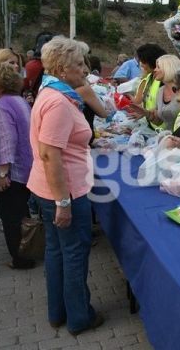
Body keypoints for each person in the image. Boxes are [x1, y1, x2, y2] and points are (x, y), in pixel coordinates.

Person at [26, 36, 103, 335]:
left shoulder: (52, 92)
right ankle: (80, 317)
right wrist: (63, 202)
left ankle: (58, 312)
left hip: (51, 189)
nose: (85, 69)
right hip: (64, 191)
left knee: (57, 251)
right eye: (79, 64)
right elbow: (49, 154)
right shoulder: (58, 101)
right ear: (61, 68)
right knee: (73, 255)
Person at [0, 63, 35, 269]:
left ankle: (21, 259)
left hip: (12, 173)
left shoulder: (1, 106)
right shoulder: (20, 101)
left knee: (11, 217)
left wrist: (2, 172)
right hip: (26, 168)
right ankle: (29, 251)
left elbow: (7, 140)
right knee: (22, 213)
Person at [129, 54, 180, 131]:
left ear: (168, 68)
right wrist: (146, 113)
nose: (155, 70)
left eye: (158, 67)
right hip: (167, 137)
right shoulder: (161, 91)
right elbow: (159, 122)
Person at [132, 43, 167, 129]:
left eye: (143, 61)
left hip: (162, 130)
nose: (141, 64)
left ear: (151, 61)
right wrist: (143, 113)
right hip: (151, 126)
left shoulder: (164, 82)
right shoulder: (149, 77)